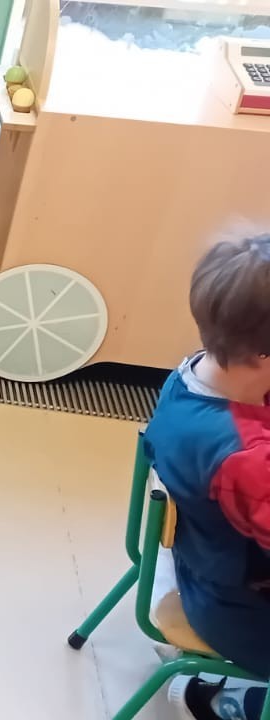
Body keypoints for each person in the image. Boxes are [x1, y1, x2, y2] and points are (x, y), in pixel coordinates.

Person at [145, 237, 270, 720]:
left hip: (201, 566)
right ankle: (226, 702)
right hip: (239, 612)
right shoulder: (246, 456)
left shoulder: (195, 372)